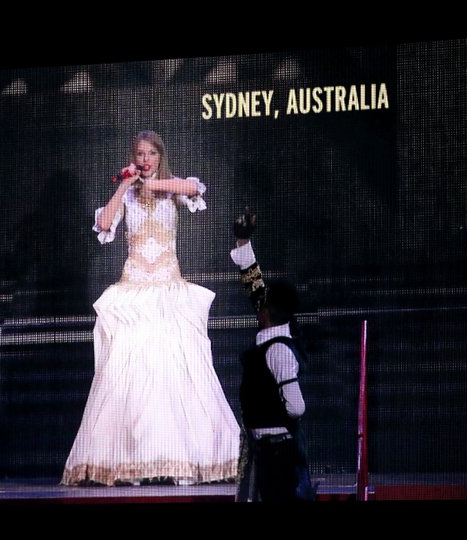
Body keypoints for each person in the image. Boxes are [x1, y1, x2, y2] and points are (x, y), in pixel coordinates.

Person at [61, 130, 240, 486]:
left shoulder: (173, 189)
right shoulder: (126, 195)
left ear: (160, 157)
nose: (145, 160)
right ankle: (131, 461)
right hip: (135, 294)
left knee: (178, 372)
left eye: (151, 154)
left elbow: (195, 189)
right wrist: (124, 186)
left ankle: (184, 456)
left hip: (168, 292)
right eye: (140, 154)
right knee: (127, 376)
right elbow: (104, 223)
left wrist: (154, 185)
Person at [230, 211, 316, 502]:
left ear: (268, 312)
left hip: (279, 450)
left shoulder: (279, 347)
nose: (258, 306)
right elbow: (256, 288)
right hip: (263, 449)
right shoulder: (270, 332)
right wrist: (243, 241)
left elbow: (296, 406)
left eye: (262, 305)